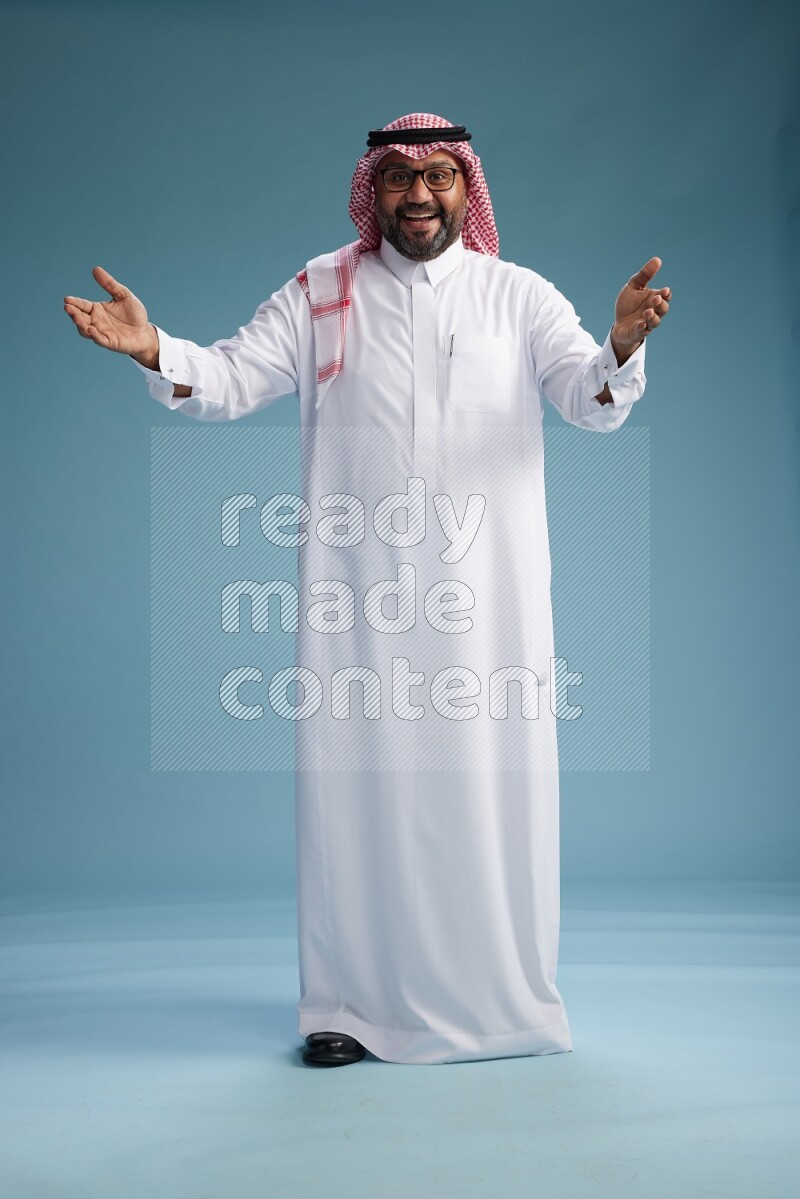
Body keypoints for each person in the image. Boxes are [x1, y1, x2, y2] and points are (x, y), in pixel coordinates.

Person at [64, 112, 670, 1068]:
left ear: (467, 191)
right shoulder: (321, 290)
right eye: (397, 178)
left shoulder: (518, 296)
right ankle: (344, 1010)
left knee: (489, 797)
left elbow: (587, 401)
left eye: (437, 177)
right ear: (371, 192)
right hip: (358, 604)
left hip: (488, 608)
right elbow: (225, 379)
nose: (418, 194)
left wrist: (623, 349)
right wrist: (155, 351)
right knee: (357, 800)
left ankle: (508, 1008)